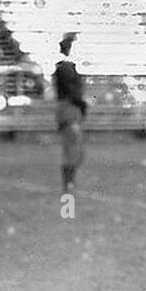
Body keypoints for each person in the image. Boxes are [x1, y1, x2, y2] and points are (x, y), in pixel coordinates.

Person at [52, 32, 87, 193]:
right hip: (69, 110)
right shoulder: (65, 68)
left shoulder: (66, 67)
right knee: (72, 149)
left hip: (70, 110)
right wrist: (82, 104)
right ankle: (68, 184)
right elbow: (72, 92)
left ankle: (69, 183)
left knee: (75, 150)